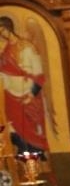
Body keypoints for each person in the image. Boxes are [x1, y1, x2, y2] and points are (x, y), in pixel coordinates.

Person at [0, 15, 50, 156]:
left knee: (30, 129)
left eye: (2, 30)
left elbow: (39, 74)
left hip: (27, 95)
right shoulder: (5, 50)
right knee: (14, 129)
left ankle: (35, 159)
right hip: (10, 96)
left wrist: (31, 94)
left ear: (9, 28)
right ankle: (22, 158)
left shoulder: (27, 47)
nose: (1, 34)